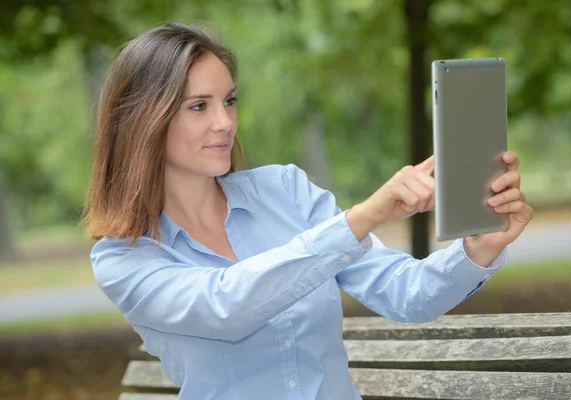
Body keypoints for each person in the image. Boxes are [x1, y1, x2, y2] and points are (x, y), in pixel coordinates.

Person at [82, 22, 533, 400]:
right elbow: (225, 305)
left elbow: (406, 295)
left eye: (229, 101)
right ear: (146, 120)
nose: (225, 122)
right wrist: (362, 218)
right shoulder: (125, 259)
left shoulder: (285, 191)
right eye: (199, 106)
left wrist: (478, 248)